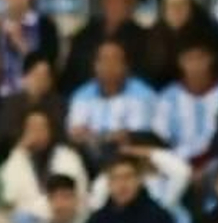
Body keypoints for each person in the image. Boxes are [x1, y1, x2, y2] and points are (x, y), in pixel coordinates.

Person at [66, 40, 158, 170]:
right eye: (103, 60)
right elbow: (75, 133)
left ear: (126, 66)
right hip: (89, 158)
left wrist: (95, 135)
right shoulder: (82, 95)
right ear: (95, 65)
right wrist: (107, 137)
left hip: (131, 160)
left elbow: (133, 135)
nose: (109, 65)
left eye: (115, 60)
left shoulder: (143, 94)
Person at [62, 0, 150, 93]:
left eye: (126, 0)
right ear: (104, 1)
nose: (118, 4)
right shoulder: (84, 36)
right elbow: (69, 78)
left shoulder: (145, 40)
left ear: (134, 4)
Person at [1, 110, 90, 223]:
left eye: (41, 127)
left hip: (64, 219)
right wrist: (19, 151)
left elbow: (77, 194)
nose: (36, 133)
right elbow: (8, 196)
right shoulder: (17, 158)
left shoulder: (68, 157)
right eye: (31, 128)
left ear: (51, 130)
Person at [154, 41, 218, 168]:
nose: (196, 65)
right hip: (177, 163)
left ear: (211, 59)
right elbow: (161, 137)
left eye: (200, 58)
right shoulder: (168, 97)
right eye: (189, 59)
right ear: (180, 62)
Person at [0, 0, 60, 98]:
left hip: (36, 95)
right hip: (2, 97)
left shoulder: (46, 26)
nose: (15, 0)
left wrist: (21, 42)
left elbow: (48, 66)